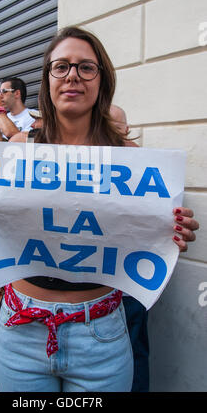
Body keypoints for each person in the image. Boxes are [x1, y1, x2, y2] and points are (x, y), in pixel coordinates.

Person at [0, 26, 199, 392]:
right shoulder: (19, 147)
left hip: (100, 334)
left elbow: (144, 230)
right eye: (61, 67)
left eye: (86, 67)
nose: (72, 75)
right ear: (48, 79)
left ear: (102, 81)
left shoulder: (129, 157)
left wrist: (170, 231)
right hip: (19, 330)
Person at [109, 103, 149, 392]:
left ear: (125, 129)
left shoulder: (139, 161)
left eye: (114, 127)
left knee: (133, 346)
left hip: (129, 280)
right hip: (102, 278)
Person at [0, 77, 35, 141]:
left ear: (17, 93)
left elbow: (21, 142)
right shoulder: (0, 117)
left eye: (4, 91)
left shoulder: (33, 116)